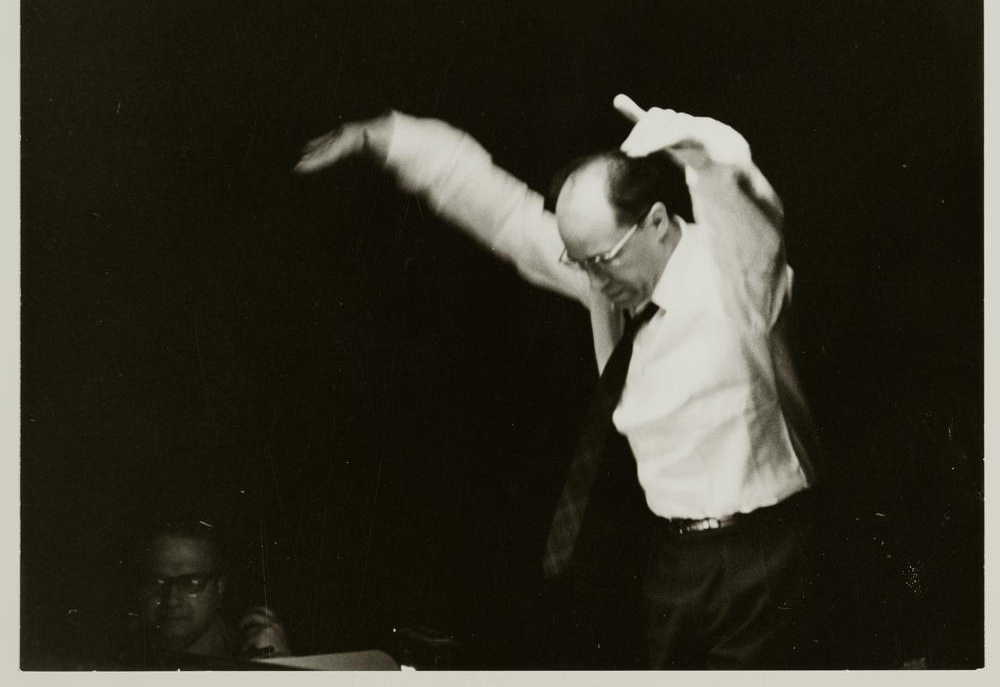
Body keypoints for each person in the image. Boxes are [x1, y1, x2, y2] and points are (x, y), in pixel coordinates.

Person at [294, 94, 825, 669]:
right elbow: (503, 213)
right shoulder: (607, 277)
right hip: (677, 560)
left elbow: (749, 207)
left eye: (603, 259)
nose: (594, 278)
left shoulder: (737, 277)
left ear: (656, 222)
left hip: (761, 558)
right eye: (580, 262)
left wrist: (703, 154)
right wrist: (384, 136)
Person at [120, 517, 291, 667]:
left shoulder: (255, 651)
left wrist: (279, 668)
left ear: (219, 588)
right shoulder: (120, 647)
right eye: (157, 582)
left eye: (192, 583)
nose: (172, 601)